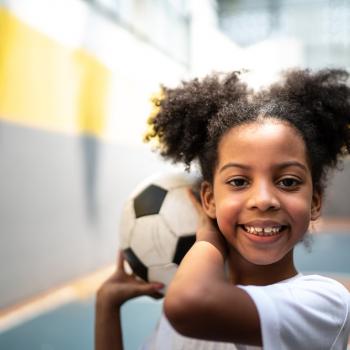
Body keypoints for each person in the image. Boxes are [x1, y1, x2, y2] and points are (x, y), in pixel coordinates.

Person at [95, 68, 350, 350]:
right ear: (209, 200)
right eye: (239, 181)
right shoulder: (188, 299)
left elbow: (189, 304)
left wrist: (208, 239)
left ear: (315, 201)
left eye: (288, 181)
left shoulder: (325, 303)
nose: (263, 199)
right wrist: (106, 309)